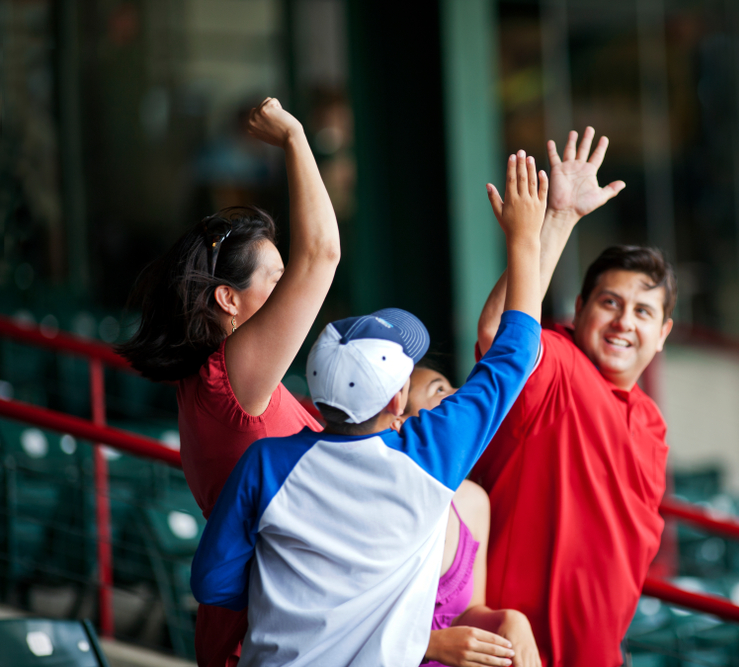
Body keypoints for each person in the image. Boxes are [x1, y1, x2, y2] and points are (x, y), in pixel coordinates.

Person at [189, 151, 547, 667]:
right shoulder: (429, 456)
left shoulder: (265, 464)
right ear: (397, 399)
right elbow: (516, 355)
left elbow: (212, 582)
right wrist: (526, 237)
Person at [117, 98, 340, 667]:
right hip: (269, 637)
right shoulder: (229, 377)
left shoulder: (219, 378)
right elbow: (322, 254)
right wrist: (294, 136)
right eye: (277, 279)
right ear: (228, 299)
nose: (292, 290)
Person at [472, 128, 677, 667]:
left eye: (643, 311)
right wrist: (558, 220)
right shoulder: (559, 361)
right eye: (610, 302)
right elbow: (501, 337)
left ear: (663, 335)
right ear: (580, 307)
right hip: (514, 652)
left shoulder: (652, 424)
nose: (623, 322)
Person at [400, 365, 541, 667]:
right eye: (439, 390)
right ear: (399, 421)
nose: (460, 395)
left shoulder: (473, 500)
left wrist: (510, 620)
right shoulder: (376, 505)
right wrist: (427, 645)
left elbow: (468, 613)